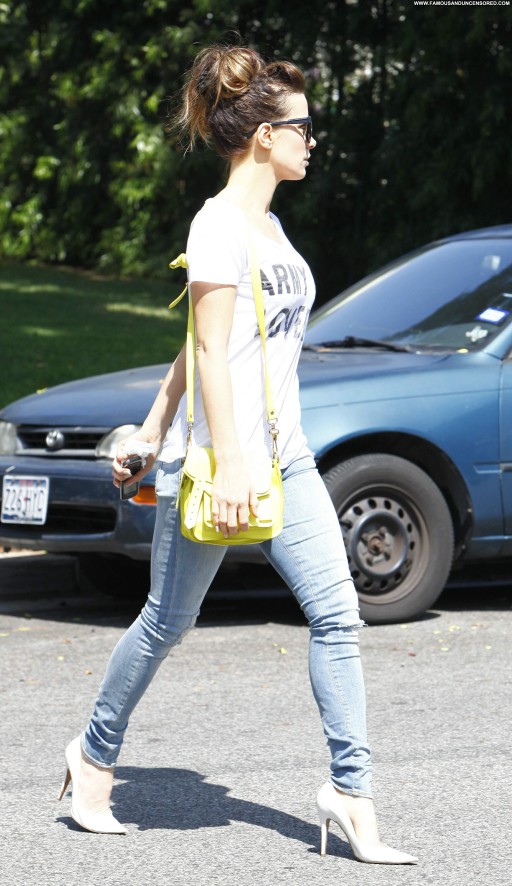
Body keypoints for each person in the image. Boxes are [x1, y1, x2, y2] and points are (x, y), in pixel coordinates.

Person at [58, 43, 417, 865]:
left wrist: (150, 424)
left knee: (338, 615)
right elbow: (211, 353)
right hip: (220, 466)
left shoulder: (272, 230)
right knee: (167, 621)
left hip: (287, 459)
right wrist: (217, 459)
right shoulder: (216, 225)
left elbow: (200, 342)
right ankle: (93, 756)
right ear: (263, 136)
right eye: (302, 128)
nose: (311, 141)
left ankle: (352, 793)